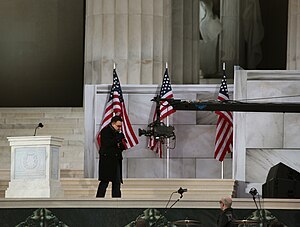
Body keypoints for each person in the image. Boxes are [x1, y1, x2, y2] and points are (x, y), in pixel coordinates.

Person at [96, 115, 126, 198]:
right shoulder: (105, 131)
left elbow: (119, 147)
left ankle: (116, 202)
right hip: (107, 162)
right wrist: (117, 139)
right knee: (104, 182)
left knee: (117, 182)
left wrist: (122, 144)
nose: (119, 128)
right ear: (113, 123)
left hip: (116, 160)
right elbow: (106, 144)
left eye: (120, 126)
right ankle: (98, 200)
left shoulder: (117, 133)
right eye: (118, 126)